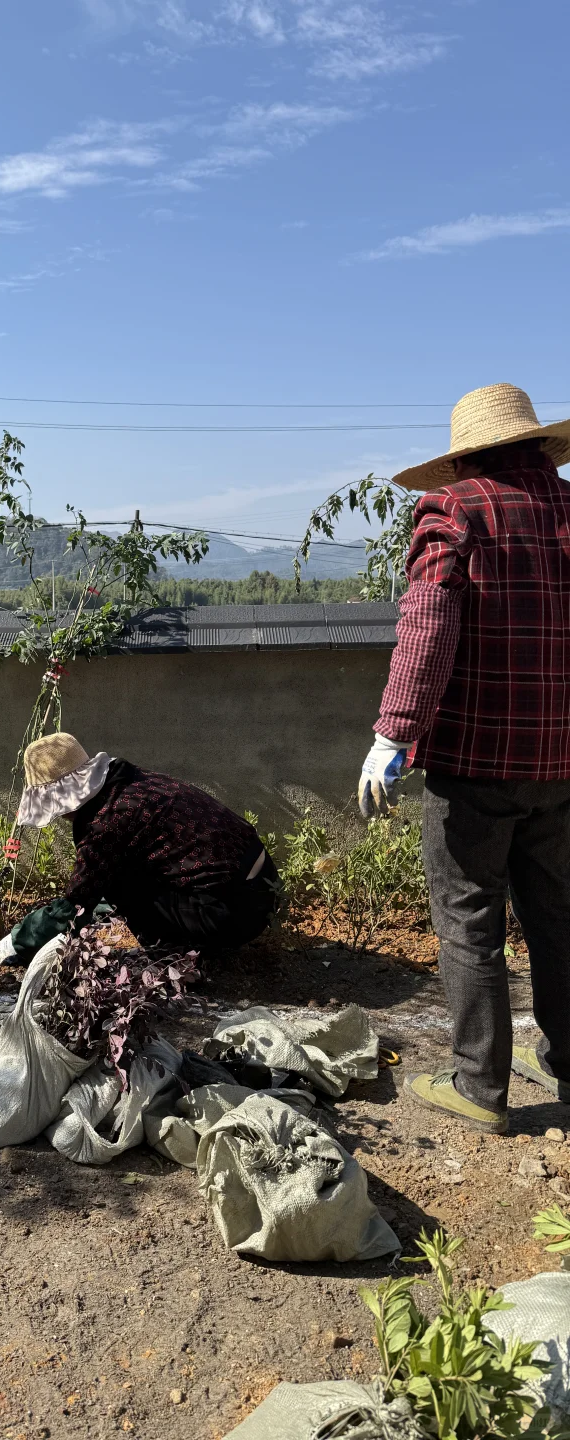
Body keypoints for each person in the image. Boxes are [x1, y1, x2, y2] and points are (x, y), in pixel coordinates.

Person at [358, 382, 570, 1135]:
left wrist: (393, 733)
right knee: (559, 919)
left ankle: (479, 1086)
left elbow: (428, 627)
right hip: (564, 765)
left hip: (477, 764)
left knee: (469, 920)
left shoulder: (457, 509)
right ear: (539, 445)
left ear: (467, 454)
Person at [0, 732, 279, 965]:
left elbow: (76, 905)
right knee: (123, 876)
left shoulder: (104, 823)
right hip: (264, 888)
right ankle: (193, 939)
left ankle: (173, 962)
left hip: (237, 912)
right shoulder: (130, 782)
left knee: (121, 882)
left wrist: (20, 940)